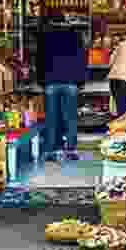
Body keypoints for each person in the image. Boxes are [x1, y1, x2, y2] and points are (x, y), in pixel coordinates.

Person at [38, 29, 86, 160]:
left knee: (51, 118)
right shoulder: (75, 36)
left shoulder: (45, 36)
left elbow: (40, 59)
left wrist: (41, 80)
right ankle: (70, 149)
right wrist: (81, 81)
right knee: (70, 118)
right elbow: (82, 58)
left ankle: (51, 150)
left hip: (50, 81)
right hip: (70, 81)